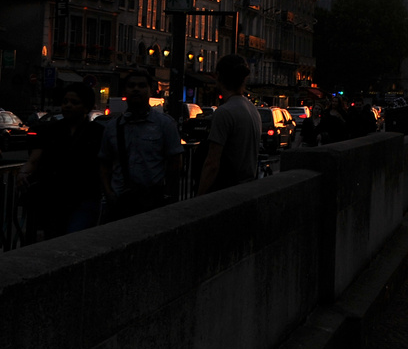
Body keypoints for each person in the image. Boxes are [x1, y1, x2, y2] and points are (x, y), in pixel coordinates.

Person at [98, 72, 182, 222]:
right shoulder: (112, 127)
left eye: (142, 86)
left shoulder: (165, 124)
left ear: (151, 90)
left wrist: (167, 194)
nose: (136, 89)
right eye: (131, 86)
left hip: (152, 200)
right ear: (125, 91)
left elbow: (174, 163)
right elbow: (104, 163)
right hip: (120, 201)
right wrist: (109, 193)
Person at [20, 88, 104, 236]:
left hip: (85, 195)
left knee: (75, 237)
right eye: (65, 102)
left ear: (87, 107)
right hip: (54, 196)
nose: (68, 106)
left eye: (74, 102)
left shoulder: (98, 132)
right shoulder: (50, 130)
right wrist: (24, 172)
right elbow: (34, 158)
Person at [198, 55, 262, 195]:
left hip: (228, 191)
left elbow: (212, 163)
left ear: (219, 77)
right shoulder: (252, 109)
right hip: (247, 188)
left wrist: (199, 197)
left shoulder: (224, 112)